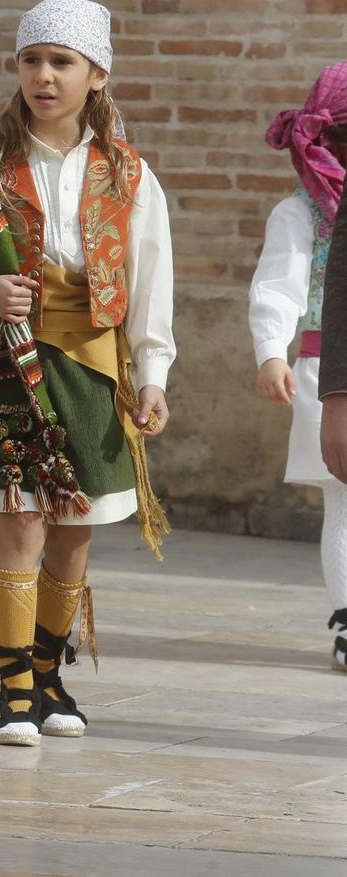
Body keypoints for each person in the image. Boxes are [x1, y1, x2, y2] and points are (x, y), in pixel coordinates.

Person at [0, 0, 175, 746]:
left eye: (61, 61)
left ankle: (50, 669)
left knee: (74, 530)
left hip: (93, 367)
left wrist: (153, 371)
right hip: (6, 362)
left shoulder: (128, 174)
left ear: (97, 74)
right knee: (21, 521)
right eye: (31, 59)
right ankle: (12, 688)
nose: (43, 75)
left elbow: (150, 277)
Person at [249, 62, 347, 672]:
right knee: (344, 501)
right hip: (326, 371)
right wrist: (270, 352)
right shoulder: (302, 215)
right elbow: (278, 289)